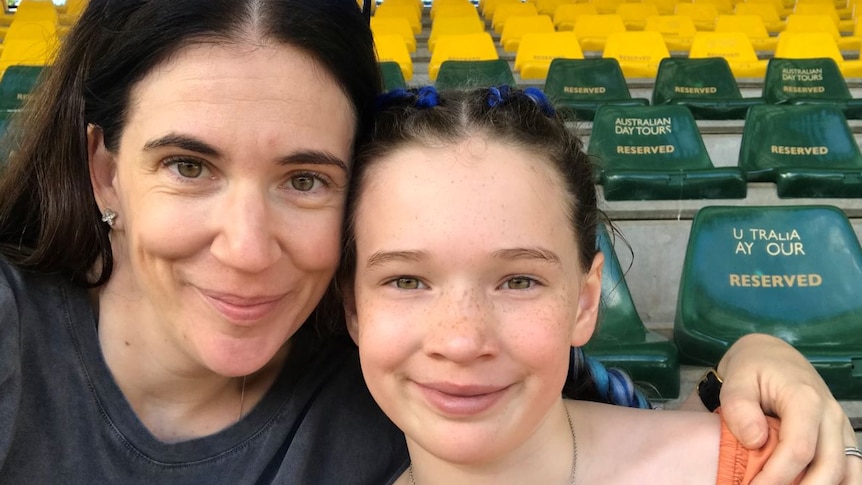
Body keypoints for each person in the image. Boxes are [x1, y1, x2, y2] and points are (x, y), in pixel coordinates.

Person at [0, 0, 855, 483]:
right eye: (189, 165)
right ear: (106, 172)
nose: (249, 247)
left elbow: (571, 388)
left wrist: (757, 368)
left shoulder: (379, 374)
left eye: (305, 178)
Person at [338, 85, 862, 484]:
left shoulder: (775, 468)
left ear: (586, 301)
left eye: (519, 281)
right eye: (406, 280)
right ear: (353, 307)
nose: (459, 341)